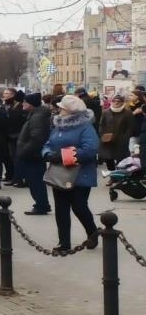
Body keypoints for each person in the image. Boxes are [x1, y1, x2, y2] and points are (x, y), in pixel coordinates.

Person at [42, 94, 100, 255]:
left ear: (70, 111)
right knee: (61, 209)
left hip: (80, 175)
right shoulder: (58, 126)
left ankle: (93, 233)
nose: (58, 110)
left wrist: (62, 156)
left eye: (61, 108)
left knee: (79, 207)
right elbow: (48, 144)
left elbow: (90, 149)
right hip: (59, 174)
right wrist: (47, 154)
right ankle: (64, 243)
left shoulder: (85, 127)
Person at [14, 92, 52, 216]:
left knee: (35, 181)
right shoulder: (35, 114)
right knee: (34, 181)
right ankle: (41, 204)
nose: (23, 103)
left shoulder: (37, 117)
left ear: (31, 104)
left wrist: (24, 151)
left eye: (25, 102)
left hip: (33, 156)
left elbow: (37, 138)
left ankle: (41, 205)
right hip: (32, 155)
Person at [99, 94, 134, 168]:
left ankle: (120, 176)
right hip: (108, 140)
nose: (116, 103)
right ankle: (111, 175)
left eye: (118, 101)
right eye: (114, 101)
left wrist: (126, 137)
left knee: (121, 160)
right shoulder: (106, 112)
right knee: (109, 158)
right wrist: (102, 135)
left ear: (122, 102)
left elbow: (130, 127)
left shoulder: (127, 113)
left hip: (121, 139)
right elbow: (101, 125)